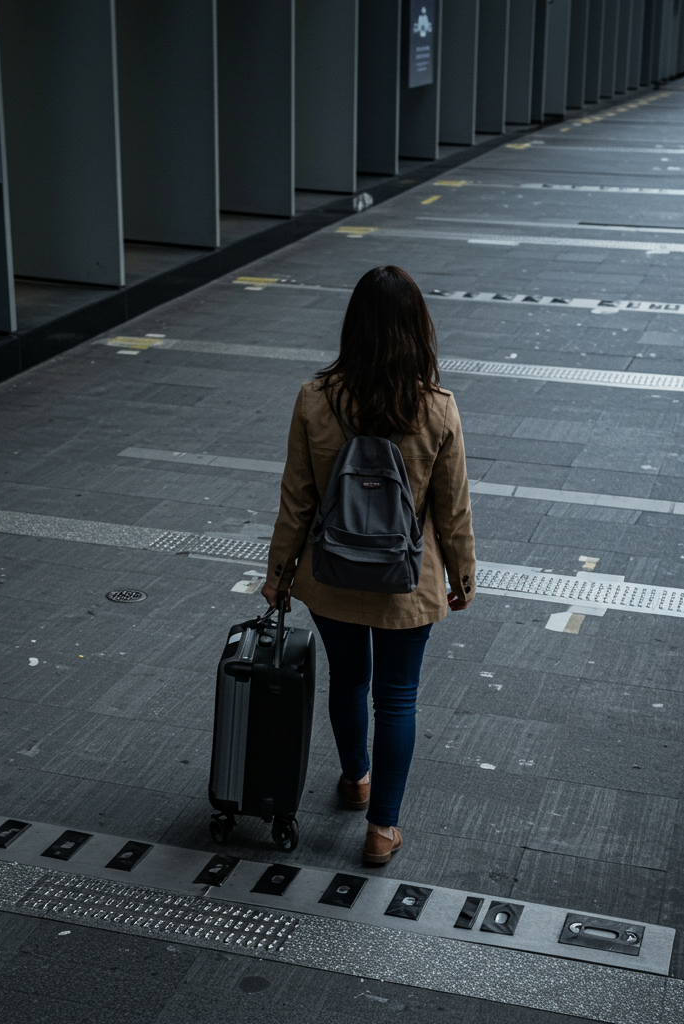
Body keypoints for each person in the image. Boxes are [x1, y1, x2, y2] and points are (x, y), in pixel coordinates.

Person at [261, 265, 476, 866]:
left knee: (349, 681)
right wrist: (462, 574)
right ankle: (382, 830)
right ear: (417, 331)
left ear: (353, 327)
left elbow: (297, 500)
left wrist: (278, 576)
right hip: (407, 583)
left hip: (333, 577)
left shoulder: (316, 398)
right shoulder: (437, 407)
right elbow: (451, 508)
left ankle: (355, 778)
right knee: (398, 698)